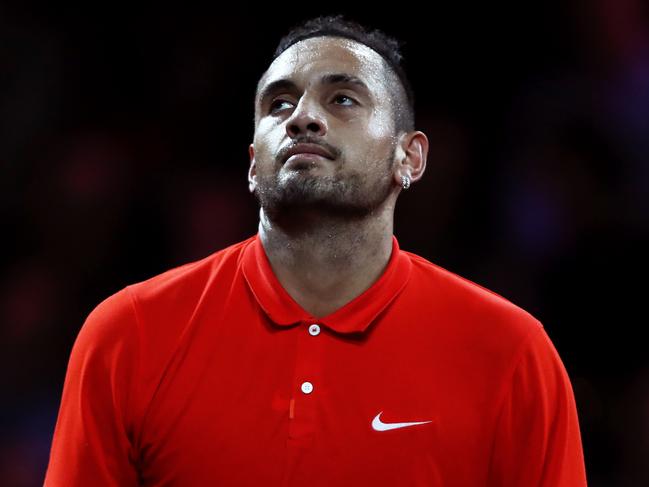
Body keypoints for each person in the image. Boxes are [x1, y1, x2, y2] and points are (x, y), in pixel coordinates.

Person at [44, 15, 588, 487]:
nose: (302, 116)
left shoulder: (511, 352)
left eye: (343, 98)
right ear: (254, 161)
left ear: (411, 158)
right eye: (279, 102)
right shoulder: (128, 334)